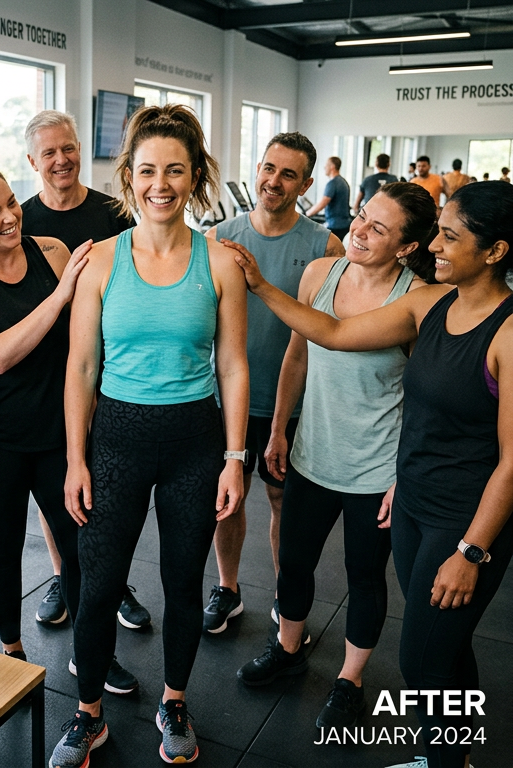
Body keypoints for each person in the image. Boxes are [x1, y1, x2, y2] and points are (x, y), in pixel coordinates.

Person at [229, 181, 513, 768]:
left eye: (449, 236)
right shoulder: (432, 304)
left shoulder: (505, 331)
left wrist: (473, 551)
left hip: (459, 516)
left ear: (495, 251)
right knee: (447, 650)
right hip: (410, 500)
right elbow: (329, 333)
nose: (437, 244)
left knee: (422, 660)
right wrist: (259, 284)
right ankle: (454, 757)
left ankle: (436, 754)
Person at [52, 104, 249, 768]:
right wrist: (76, 458)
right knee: (98, 582)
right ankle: (88, 716)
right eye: (146, 171)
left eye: (174, 170)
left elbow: (233, 364)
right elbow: (81, 366)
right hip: (115, 437)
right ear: (128, 178)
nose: (159, 184)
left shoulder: (219, 261)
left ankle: (174, 700)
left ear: (195, 178)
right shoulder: (101, 261)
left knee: (182, 581)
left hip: (194, 438)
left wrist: (233, 457)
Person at [232, 183, 435, 732]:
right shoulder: (321, 274)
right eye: (362, 216)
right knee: (293, 562)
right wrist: (278, 430)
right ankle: (288, 649)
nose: (359, 231)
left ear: (407, 247)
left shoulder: (417, 301)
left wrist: (402, 474)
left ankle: (350, 680)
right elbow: (298, 353)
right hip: (311, 453)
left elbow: (422, 400)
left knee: (364, 576)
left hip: (376, 468)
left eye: (377, 229)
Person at [0, 165, 119, 680]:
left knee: (81, 541)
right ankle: (12, 653)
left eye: (12, 203)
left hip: (57, 431)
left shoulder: (53, 251)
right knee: (4, 541)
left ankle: (91, 653)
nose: (12, 216)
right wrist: (58, 297)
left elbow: (88, 334)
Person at [18, 109, 153, 640]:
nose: (61, 159)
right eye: (48, 152)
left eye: (68, 148)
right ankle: (61, 575)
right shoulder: (21, 221)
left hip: (111, 368)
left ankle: (113, 582)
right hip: (51, 371)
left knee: (111, 486)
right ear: (33, 160)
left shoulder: (115, 213)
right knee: (59, 483)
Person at [202, 133, 344, 635]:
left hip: (293, 405)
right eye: (268, 168)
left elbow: (327, 333)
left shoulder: (325, 246)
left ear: (307, 183)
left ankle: (288, 597)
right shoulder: (219, 236)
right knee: (227, 499)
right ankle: (228, 588)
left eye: (288, 174)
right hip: (228, 400)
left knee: (284, 503)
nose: (273, 181)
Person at [306, 156, 352, 241]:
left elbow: (323, 203)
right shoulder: (343, 181)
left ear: (332, 167)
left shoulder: (333, 183)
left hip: (335, 226)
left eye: (326, 165)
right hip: (344, 225)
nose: (324, 167)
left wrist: (307, 214)